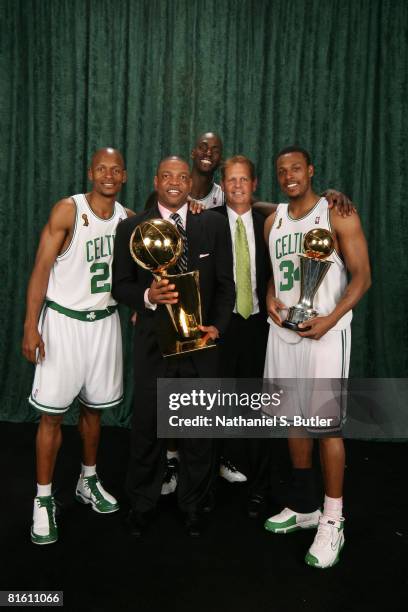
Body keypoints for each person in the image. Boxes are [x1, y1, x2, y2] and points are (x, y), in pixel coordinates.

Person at [112, 156, 235, 537]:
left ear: (190, 184)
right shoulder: (132, 227)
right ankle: (143, 503)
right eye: (167, 176)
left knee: (197, 429)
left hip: (201, 344)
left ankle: (193, 504)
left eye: (183, 177)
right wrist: (148, 295)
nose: (175, 183)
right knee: (148, 424)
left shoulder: (213, 224)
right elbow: (120, 286)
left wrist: (218, 325)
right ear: (156, 179)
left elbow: (225, 284)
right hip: (153, 344)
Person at [263, 146, 371, 568]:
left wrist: (331, 319)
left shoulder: (336, 212)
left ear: (311, 170)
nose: (289, 176)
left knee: (326, 426)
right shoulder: (273, 220)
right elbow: (275, 274)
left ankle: (333, 519)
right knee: (293, 419)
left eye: (296, 169)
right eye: (281, 171)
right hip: (285, 333)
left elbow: (362, 276)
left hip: (326, 334)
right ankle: (304, 505)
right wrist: (270, 297)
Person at [22, 148, 132, 545]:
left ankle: (88, 481)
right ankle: (44, 499)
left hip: (104, 325)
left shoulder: (128, 219)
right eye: (101, 168)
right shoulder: (68, 210)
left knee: (94, 410)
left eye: (115, 169)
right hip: (64, 323)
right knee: (51, 417)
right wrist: (30, 327)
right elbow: (40, 271)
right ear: (91, 173)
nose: (108, 175)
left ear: (123, 176)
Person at [212, 155, 271, 517]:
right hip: (221, 324)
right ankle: (206, 481)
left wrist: (330, 194)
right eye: (230, 180)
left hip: (257, 325)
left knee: (256, 406)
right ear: (223, 184)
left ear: (254, 184)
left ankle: (260, 487)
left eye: (243, 180)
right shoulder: (207, 221)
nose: (237, 186)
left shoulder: (268, 223)